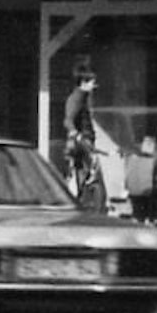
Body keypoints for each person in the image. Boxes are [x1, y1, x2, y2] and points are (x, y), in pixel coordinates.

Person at [61, 70, 102, 209]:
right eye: (92, 83)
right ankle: (76, 202)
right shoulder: (77, 98)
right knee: (84, 173)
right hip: (81, 142)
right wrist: (77, 135)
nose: (94, 87)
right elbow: (68, 121)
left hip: (85, 141)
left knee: (86, 174)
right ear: (83, 83)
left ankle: (80, 200)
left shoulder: (83, 98)